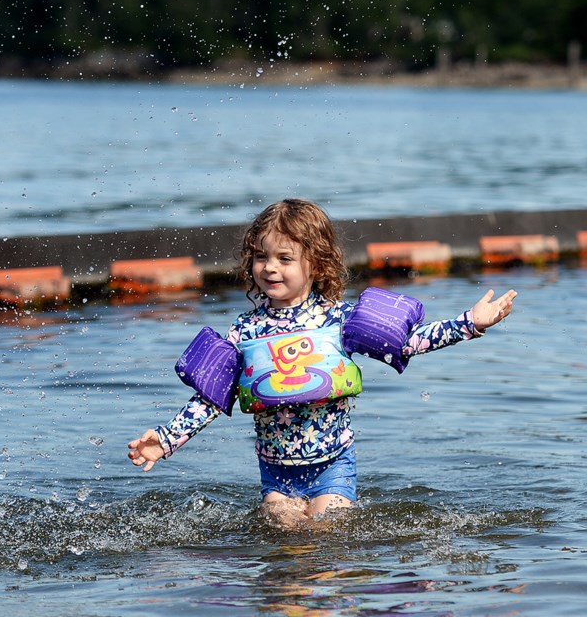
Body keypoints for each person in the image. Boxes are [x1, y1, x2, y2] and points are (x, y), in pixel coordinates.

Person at [127, 199, 517, 527]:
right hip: (276, 471)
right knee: (288, 545)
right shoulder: (245, 331)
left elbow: (410, 342)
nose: (270, 268)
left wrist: (469, 323)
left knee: (326, 541)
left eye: (285, 258)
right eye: (261, 257)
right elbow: (210, 398)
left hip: (333, 464)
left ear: (316, 263)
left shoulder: (339, 320)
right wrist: (165, 440)